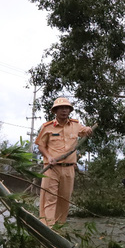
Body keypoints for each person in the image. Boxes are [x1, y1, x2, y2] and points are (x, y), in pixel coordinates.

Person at [35, 97, 92, 227]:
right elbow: (41, 145)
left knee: (64, 199)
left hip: (69, 169)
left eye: (66, 108)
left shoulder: (75, 125)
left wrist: (88, 129)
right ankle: (47, 227)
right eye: (61, 108)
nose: (64, 110)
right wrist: (49, 157)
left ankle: (59, 227)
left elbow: (85, 131)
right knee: (50, 198)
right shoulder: (47, 127)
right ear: (55, 111)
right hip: (51, 168)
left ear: (70, 110)